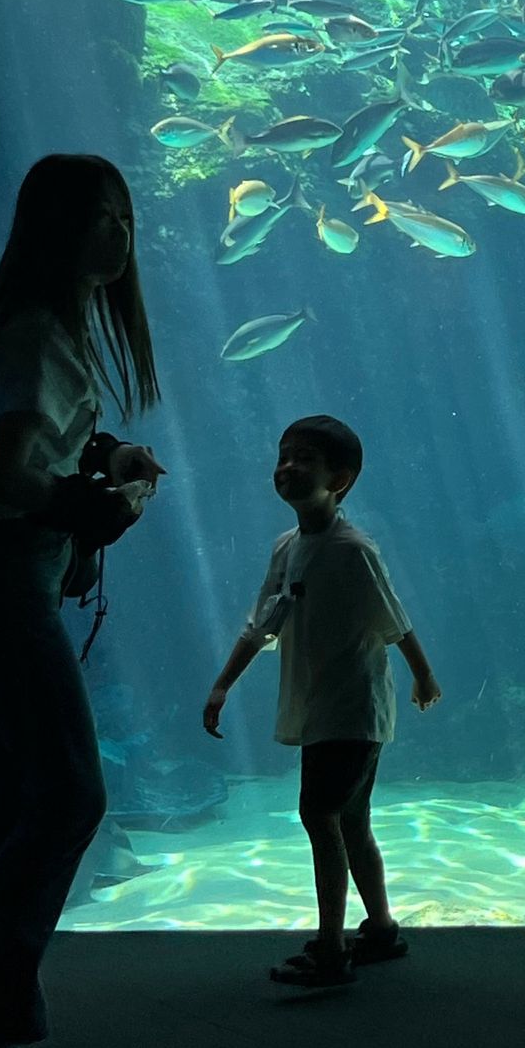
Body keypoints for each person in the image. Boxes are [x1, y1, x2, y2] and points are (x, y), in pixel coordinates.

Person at [0, 154, 165, 1048]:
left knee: (6, 807)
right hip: (6, 581)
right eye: (98, 218)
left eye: (124, 219)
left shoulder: (28, 327)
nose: (117, 235)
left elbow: (22, 441)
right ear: (52, 226)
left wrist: (101, 451)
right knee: (67, 797)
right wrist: (96, 507)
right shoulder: (36, 334)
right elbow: (13, 473)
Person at [203, 414, 441, 987]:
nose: (287, 467)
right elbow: (262, 624)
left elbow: (396, 621)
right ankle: (380, 930)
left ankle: (332, 949)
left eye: (304, 458)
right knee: (352, 823)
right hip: (321, 708)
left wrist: (423, 677)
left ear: (342, 479)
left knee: (320, 814)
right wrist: (222, 684)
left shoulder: (352, 549)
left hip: (353, 708)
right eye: (283, 456)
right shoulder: (287, 547)